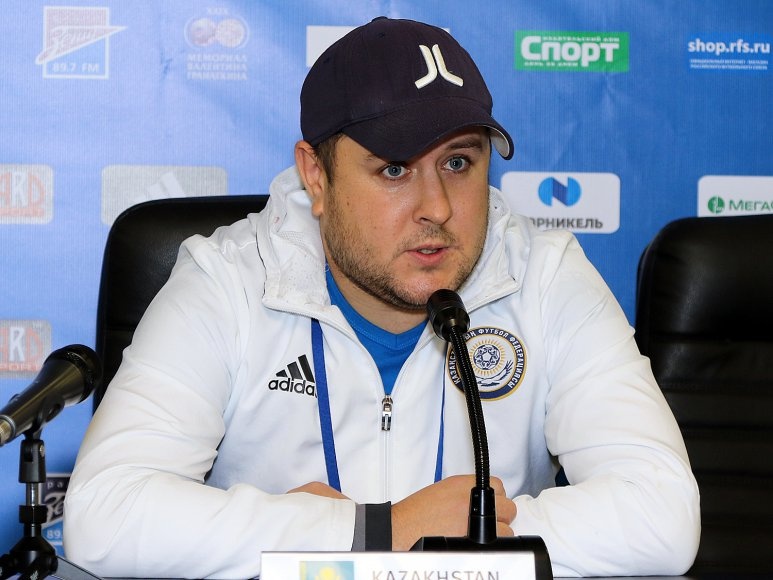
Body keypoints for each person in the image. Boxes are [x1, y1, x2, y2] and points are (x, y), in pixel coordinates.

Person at [63, 16, 700, 579]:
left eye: (458, 162)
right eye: (394, 169)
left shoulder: (545, 275)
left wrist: (445, 547)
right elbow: (104, 515)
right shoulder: (228, 279)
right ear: (316, 176)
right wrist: (378, 531)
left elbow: (662, 514)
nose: (437, 208)